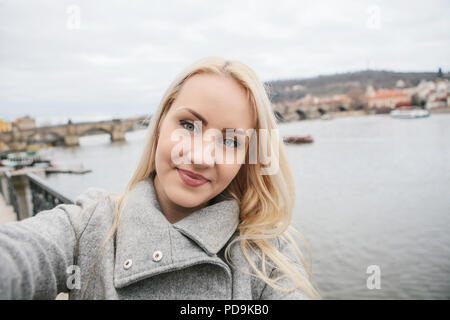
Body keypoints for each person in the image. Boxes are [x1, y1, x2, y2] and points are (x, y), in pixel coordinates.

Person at [0, 56, 321, 300]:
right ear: (159, 125)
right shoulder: (86, 227)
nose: (199, 156)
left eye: (230, 141)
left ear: (245, 161)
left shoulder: (264, 255)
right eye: (188, 125)